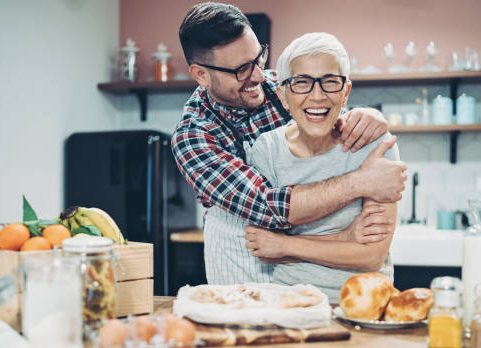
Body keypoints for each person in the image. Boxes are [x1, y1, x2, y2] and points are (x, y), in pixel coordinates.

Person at [172, 2, 406, 284]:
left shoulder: (283, 86)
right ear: (201, 75)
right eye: (242, 69)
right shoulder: (194, 136)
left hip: (293, 255)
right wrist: (360, 186)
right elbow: (269, 209)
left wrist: (367, 116)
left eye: (259, 57)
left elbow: (331, 111)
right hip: (243, 251)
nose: (259, 75)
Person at [244, 32, 398, 302]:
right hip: (289, 303)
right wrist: (345, 237)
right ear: (283, 95)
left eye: (330, 82)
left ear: (346, 91)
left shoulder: (376, 144)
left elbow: (371, 256)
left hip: (366, 304)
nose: (317, 96)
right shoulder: (266, 149)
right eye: (302, 83)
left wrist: (285, 245)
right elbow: (264, 247)